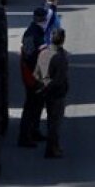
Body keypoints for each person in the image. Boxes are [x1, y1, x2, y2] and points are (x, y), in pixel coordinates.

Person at [34, 28, 71, 158]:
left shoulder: (43, 53)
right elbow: (60, 78)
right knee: (55, 122)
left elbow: (36, 73)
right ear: (63, 40)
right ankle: (52, 149)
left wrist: (43, 84)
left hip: (43, 90)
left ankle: (53, 147)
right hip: (56, 93)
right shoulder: (61, 57)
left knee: (50, 119)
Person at [18, 7, 49, 147]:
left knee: (38, 104)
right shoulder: (32, 34)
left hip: (37, 75)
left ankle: (34, 131)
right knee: (31, 106)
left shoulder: (37, 31)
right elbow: (29, 56)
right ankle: (25, 136)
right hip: (33, 76)